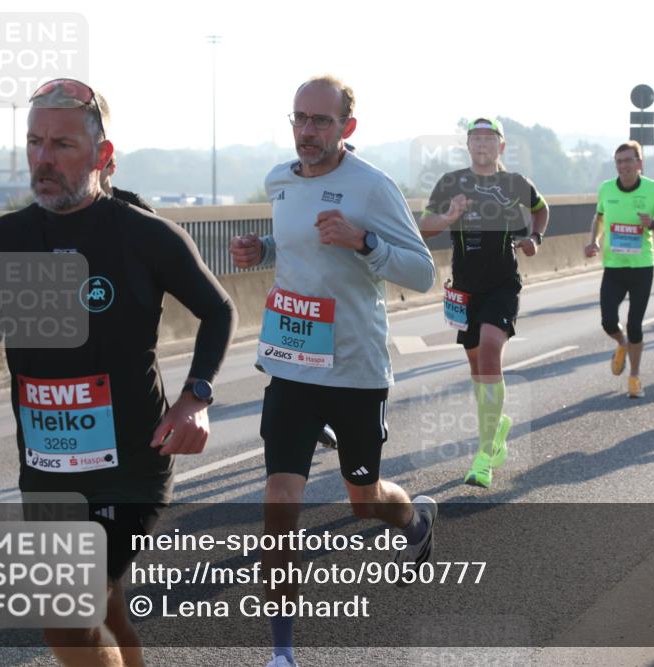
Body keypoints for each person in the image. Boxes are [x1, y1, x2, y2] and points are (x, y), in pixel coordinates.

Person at [0, 78, 237, 667]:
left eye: (62, 145)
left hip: (130, 465)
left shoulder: (142, 236)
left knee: (66, 615)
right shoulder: (10, 238)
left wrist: (195, 396)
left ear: (101, 155)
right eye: (34, 143)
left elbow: (219, 310)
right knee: (105, 609)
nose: (43, 159)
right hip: (47, 467)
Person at [228, 76, 437, 667]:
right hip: (292, 366)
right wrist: (262, 252)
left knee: (364, 502)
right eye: (299, 118)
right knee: (278, 505)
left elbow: (421, 272)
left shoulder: (372, 187)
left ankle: (415, 519)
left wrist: (363, 240)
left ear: (347, 127)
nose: (307, 131)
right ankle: (282, 653)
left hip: (356, 371)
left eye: (321, 120)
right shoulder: (279, 182)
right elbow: (294, 246)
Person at [419, 117, 549, 487]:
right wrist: (449, 215)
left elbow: (542, 210)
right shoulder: (451, 183)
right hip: (464, 290)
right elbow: (425, 227)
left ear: (501, 147)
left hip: (502, 285)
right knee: (478, 370)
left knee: (491, 352)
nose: (482, 144)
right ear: (468, 145)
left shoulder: (515, 184)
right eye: (475, 138)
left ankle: (483, 454)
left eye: (489, 138)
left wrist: (535, 238)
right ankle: (498, 424)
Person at [584, 141, 654, 398]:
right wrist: (594, 241)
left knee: (635, 325)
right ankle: (621, 344)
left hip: (641, 267)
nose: (623, 166)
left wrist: (653, 224)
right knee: (608, 321)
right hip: (613, 267)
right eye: (619, 161)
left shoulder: (652, 189)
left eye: (628, 160)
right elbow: (599, 218)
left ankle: (634, 377)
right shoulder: (606, 189)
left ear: (639, 164)